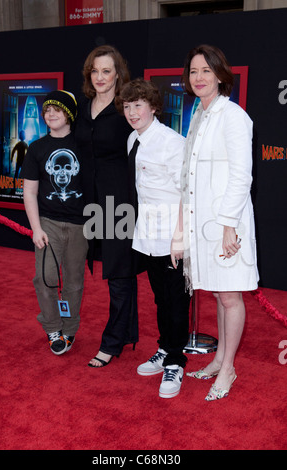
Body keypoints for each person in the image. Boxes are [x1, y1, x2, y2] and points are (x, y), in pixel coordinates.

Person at [170, 44, 259, 401]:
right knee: (220, 295)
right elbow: (188, 177)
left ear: (221, 76)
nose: (199, 78)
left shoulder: (233, 116)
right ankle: (220, 358)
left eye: (206, 71)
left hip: (227, 224)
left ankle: (229, 368)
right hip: (202, 221)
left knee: (230, 295)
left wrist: (227, 226)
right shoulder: (199, 114)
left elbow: (242, 176)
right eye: (193, 72)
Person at [116, 78, 191, 398]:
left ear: (153, 107)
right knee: (161, 299)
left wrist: (180, 238)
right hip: (146, 235)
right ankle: (165, 348)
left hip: (173, 237)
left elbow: (188, 193)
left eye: (138, 105)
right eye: (127, 106)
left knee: (176, 302)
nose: (132, 112)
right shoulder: (133, 138)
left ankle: (176, 360)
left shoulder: (172, 143)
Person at [75, 45, 139, 368]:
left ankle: (111, 342)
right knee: (117, 272)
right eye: (95, 71)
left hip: (119, 203)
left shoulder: (125, 109)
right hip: (91, 202)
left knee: (119, 273)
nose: (100, 77)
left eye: (106, 71)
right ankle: (125, 332)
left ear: (117, 74)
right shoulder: (83, 108)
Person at [21, 90, 88, 355]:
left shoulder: (83, 145)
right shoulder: (37, 148)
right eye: (47, 110)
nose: (50, 114)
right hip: (48, 222)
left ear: (69, 114)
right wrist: (36, 228)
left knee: (74, 280)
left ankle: (69, 328)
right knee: (45, 278)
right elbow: (30, 192)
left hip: (80, 225)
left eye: (57, 109)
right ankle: (51, 326)